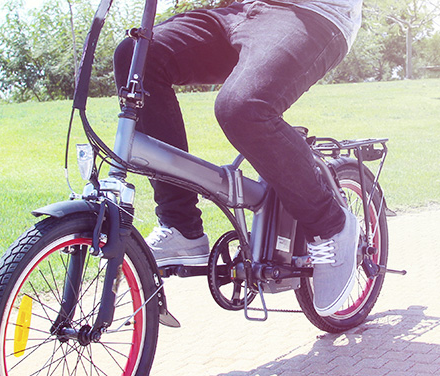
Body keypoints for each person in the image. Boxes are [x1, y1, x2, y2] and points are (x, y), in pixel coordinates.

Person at [114, 0, 363, 317]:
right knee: (136, 55)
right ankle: (181, 226)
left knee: (241, 108)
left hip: (312, 12)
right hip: (241, 9)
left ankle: (331, 225)